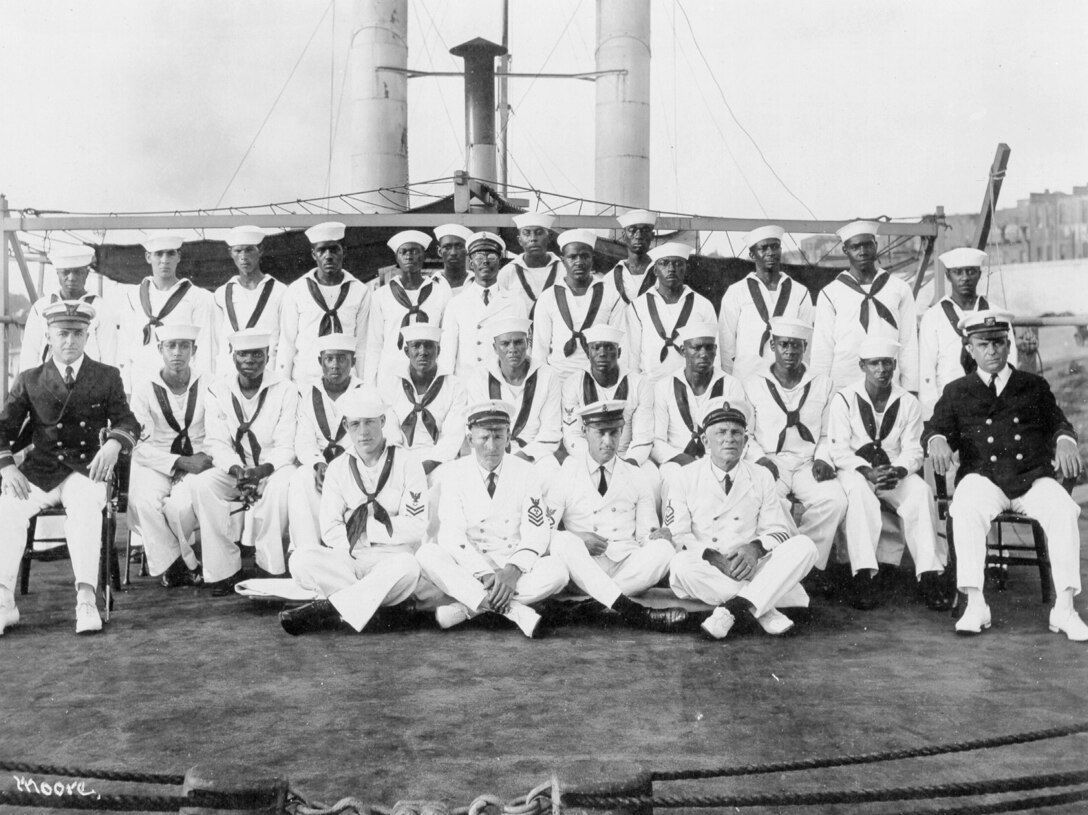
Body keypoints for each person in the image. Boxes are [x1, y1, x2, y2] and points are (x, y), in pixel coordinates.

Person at [924, 310, 1086, 639]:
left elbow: (1058, 423)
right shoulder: (957, 391)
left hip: (1031, 477)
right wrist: (937, 440)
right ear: (970, 349)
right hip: (984, 478)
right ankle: (975, 603)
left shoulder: (1033, 385)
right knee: (965, 507)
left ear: (1008, 343)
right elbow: (935, 428)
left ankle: (1065, 608)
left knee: (1065, 510)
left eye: (999, 342)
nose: (993, 351)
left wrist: (1066, 441)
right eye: (984, 344)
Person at [0, 301, 139, 635]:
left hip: (84, 469)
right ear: (48, 335)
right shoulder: (30, 379)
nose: (69, 341)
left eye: (77, 333)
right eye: (62, 333)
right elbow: (3, 428)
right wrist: (7, 468)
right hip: (40, 470)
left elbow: (127, 420)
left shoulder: (106, 376)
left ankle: (86, 599)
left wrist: (114, 443)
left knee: (87, 509)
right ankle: (4, 602)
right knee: (6, 509)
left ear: (87, 335)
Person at [279, 387, 428, 636]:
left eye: (370, 422)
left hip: (391, 558)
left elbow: (416, 527)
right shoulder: (337, 468)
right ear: (346, 426)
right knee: (300, 559)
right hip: (349, 559)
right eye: (355, 424)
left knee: (409, 566)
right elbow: (329, 531)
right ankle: (374, 610)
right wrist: (384, 528)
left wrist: (363, 529)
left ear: (382, 421)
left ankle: (328, 609)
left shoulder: (407, 463)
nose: (363, 432)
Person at [414, 401, 569, 638]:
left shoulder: (526, 472)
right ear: (470, 440)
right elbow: (450, 535)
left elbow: (537, 531)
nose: (491, 446)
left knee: (558, 572)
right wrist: (485, 574)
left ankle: (468, 608)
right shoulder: (454, 473)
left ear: (508, 438)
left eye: (498, 437)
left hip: (513, 565)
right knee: (427, 554)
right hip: (472, 566)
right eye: (484, 437)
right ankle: (515, 611)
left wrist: (512, 571)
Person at [665, 401, 818, 640]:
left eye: (736, 433)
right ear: (705, 441)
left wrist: (754, 549)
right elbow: (677, 536)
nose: (730, 439)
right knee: (680, 565)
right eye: (721, 432)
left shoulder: (761, 475)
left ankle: (730, 610)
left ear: (746, 442)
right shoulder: (685, 476)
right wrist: (713, 558)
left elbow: (777, 530)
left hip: (751, 567)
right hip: (707, 567)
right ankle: (764, 608)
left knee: (805, 546)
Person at [547, 401, 688, 631]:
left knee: (663, 550)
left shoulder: (635, 475)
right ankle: (635, 612)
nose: (608, 441)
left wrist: (659, 536)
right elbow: (545, 530)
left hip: (625, 565)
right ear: (584, 431)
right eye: (600, 432)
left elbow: (646, 535)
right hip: (584, 566)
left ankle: (589, 607)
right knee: (562, 541)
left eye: (614, 432)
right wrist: (580, 539)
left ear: (622, 431)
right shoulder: (566, 473)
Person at [829, 336, 946, 611]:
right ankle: (863, 575)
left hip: (893, 473)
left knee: (920, 493)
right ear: (862, 366)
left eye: (887, 363)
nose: (881, 369)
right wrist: (866, 471)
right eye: (874, 363)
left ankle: (928, 574)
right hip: (856, 471)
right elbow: (838, 449)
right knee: (859, 495)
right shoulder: (845, 399)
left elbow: (914, 450)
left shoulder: (908, 402)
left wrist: (899, 470)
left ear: (894, 366)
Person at [189, 329, 298, 594]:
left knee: (282, 486)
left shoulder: (285, 389)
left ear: (267, 356)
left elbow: (287, 444)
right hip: (235, 469)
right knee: (203, 485)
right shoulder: (218, 390)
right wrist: (237, 469)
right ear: (232, 355)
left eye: (257, 354)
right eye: (243, 354)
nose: (250, 360)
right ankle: (224, 569)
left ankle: (269, 566)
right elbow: (216, 442)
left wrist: (262, 471)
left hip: (274, 468)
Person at [743, 317, 845, 588]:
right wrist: (758, 458)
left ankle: (807, 568)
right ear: (773, 345)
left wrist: (823, 457)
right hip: (770, 462)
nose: (789, 352)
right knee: (770, 502)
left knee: (834, 501)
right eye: (784, 345)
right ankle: (779, 564)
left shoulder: (823, 384)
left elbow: (827, 433)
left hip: (806, 462)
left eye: (796, 346)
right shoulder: (753, 383)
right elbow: (747, 434)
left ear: (805, 348)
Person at [128, 324, 210, 587]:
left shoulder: (210, 384)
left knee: (182, 505)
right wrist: (177, 462)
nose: (177, 353)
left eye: (184, 346)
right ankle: (176, 564)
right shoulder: (144, 389)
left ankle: (188, 557)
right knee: (144, 501)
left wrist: (203, 458)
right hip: (157, 461)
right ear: (160, 349)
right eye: (171, 346)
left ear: (194, 350)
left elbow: (220, 430)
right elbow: (139, 446)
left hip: (200, 460)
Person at [811, 221, 919, 392]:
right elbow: (822, 349)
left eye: (867, 245)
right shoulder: (830, 293)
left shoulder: (899, 289)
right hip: (844, 385)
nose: (862, 251)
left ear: (876, 245)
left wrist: (911, 388)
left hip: (890, 384)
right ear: (845, 250)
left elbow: (908, 343)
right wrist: (818, 394)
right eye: (855, 247)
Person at [918, 247, 1017, 419]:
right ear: (948, 276)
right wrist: (934, 418)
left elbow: (1010, 362)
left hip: (992, 405)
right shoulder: (933, 317)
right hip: (949, 406)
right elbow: (926, 372)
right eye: (958, 272)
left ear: (979, 274)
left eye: (970, 272)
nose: (965, 278)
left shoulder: (997, 314)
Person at [288, 333, 365, 553]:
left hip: (351, 465)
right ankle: (307, 552)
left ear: (353, 362)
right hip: (319, 463)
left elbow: (367, 439)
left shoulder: (365, 392)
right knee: (301, 478)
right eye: (329, 358)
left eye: (342, 358)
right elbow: (304, 439)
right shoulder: (306, 392)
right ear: (320, 361)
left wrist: (340, 468)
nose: (335, 365)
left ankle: (345, 552)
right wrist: (318, 464)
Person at [652, 322, 748, 494]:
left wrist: (716, 461)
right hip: (678, 460)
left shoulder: (731, 385)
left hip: (720, 459)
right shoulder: (664, 386)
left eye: (709, 348)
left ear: (716, 350)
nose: (703, 354)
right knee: (672, 478)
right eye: (696, 348)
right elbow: (657, 441)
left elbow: (742, 432)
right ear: (683, 350)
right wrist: (683, 459)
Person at [117, 232, 218, 393]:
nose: (165, 260)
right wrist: (126, 390)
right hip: (141, 380)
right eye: (158, 254)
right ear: (148, 257)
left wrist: (203, 391)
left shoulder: (197, 297)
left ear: (178, 256)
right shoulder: (133, 296)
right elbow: (125, 346)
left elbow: (205, 348)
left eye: (170, 253)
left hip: (181, 383)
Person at [561, 325, 656, 492]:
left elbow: (643, 435)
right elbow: (572, 435)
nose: (602, 353)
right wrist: (596, 461)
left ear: (619, 352)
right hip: (587, 457)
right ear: (588, 352)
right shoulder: (573, 384)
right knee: (567, 478)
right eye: (596, 347)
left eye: (609, 348)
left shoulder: (639, 384)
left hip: (628, 456)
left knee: (652, 480)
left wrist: (629, 463)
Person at [463, 317, 563, 470]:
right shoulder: (479, 377)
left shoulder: (547, 375)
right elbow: (475, 427)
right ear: (495, 348)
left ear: (527, 344)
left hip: (534, 455)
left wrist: (520, 458)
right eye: (505, 344)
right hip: (491, 451)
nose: (512, 349)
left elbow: (551, 430)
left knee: (551, 471)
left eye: (518, 342)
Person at [719, 225, 814, 382]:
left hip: (786, 379)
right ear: (752, 254)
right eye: (764, 248)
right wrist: (730, 381)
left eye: (775, 247)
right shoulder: (736, 292)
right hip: (746, 376)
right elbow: (726, 343)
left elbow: (806, 341)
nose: (770, 252)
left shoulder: (800, 292)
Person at [278, 221, 370, 385]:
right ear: (313, 254)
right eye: (321, 250)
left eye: (334, 249)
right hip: (306, 381)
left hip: (346, 382)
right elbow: (287, 343)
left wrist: (362, 385)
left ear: (344, 251)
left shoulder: (360, 291)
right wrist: (283, 388)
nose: (328, 255)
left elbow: (362, 344)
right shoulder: (296, 290)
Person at [532, 228, 626, 382]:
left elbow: (621, 342)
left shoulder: (611, 294)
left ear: (592, 258)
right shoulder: (548, 297)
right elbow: (540, 348)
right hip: (558, 378)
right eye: (572, 257)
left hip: (598, 379)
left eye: (584, 256)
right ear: (563, 260)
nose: (579, 262)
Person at [365, 230, 453, 386]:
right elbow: (374, 344)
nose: (409, 256)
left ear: (423, 256)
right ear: (397, 257)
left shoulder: (441, 293)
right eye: (403, 252)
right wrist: (370, 385)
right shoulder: (381, 296)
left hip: (429, 373)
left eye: (414, 251)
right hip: (391, 374)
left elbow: (447, 340)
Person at [379, 324, 469, 476]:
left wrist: (427, 465)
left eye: (428, 346)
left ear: (438, 351)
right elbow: (390, 431)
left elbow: (452, 436)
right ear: (407, 351)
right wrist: (403, 465)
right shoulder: (390, 384)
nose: (423, 352)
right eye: (416, 346)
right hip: (399, 460)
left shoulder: (455, 386)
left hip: (439, 462)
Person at [438, 231, 528, 376]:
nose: (485, 261)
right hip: (467, 383)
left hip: (502, 382)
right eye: (479, 257)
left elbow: (523, 349)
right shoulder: (456, 304)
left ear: (500, 261)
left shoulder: (516, 302)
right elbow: (447, 354)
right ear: (471, 262)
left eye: (491, 256)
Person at [626, 241, 716, 383]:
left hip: (690, 387)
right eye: (664, 263)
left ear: (686, 268)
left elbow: (714, 354)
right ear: (655, 270)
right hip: (650, 385)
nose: (671, 269)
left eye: (678, 264)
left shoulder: (703, 305)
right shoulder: (638, 306)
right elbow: (632, 355)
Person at [20, 246, 116, 373]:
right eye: (66, 272)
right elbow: (29, 356)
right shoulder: (40, 308)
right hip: (48, 385)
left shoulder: (101, 309)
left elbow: (109, 357)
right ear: (57, 273)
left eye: (77, 272)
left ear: (86, 273)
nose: (71, 277)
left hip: (90, 384)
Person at [213, 225, 286, 375]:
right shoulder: (221, 293)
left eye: (249, 250)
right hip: (231, 370)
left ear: (261, 251)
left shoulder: (280, 291)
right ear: (231, 253)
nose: (244, 256)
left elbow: (285, 339)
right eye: (238, 251)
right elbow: (218, 340)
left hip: (267, 369)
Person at [497, 212, 563, 315]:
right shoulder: (508, 272)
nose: (533, 238)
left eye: (539, 232)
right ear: (519, 240)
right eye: (527, 233)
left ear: (549, 237)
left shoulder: (563, 270)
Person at [605, 209, 658, 305]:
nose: (638, 236)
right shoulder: (610, 278)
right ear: (624, 236)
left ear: (652, 236)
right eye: (632, 230)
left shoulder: (662, 274)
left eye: (645, 230)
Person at [433, 223, 474, 292]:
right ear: (439, 251)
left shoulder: (477, 283)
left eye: (459, 247)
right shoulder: (431, 284)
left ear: (467, 250)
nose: (453, 253)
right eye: (447, 247)